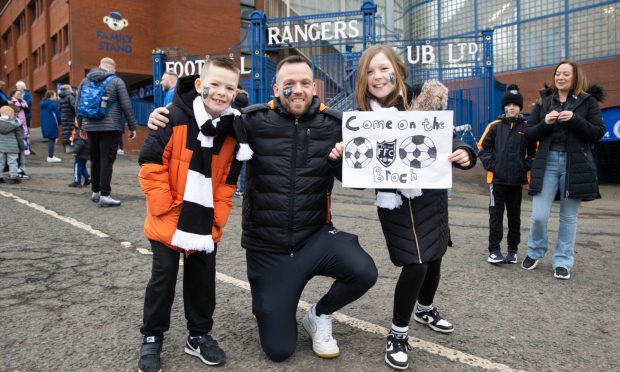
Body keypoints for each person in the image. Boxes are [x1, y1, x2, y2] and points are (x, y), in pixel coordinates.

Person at [147, 55, 378, 363]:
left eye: (304, 83)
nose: (297, 90)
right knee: (279, 350)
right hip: (268, 248)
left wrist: (339, 162)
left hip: (316, 237)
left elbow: (360, 179)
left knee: (364, 271)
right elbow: (207, 112)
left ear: (314, 86)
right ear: (275, 88)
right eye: (289, 84)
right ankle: (268, 302)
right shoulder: (250, 120)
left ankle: (318, 314)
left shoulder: (334, 124)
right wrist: (165, 113)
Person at [328, 45, 476, 370]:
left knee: (434, 256)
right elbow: (356, 180)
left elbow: (452, 140)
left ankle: (425, 308)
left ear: (397, 70)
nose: (378, 77)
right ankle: (398, 332)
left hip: (430, 196)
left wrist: (466, 152)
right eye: (370, 72)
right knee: (416, 264)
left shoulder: (423, 104)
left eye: (383, 69)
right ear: (363, 80)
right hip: (393, 203)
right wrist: (340, 159)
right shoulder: (360, 119)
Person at [137, 56, 248, 372]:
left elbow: (229, 181)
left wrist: (218, 218)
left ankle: (198, 335)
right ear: (200, 85)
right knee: (163, 278)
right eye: (214, 84)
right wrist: (164, 207)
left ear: (236, 90)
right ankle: (152, 337)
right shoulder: (171, 117)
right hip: (168, 218)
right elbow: (150, 163)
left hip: (204, 221)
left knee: (203, 280)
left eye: (229, 87)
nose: (220, 92)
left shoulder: (235, 130)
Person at [522, 60, 605, 280]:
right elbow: (529, 133)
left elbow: (598, 132)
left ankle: (563, 261)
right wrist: (545, 123)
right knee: (539, 216)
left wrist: (575, 120)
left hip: (574, 164)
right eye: (558, 74)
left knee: (568, 218)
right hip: (547, 162)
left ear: (575, 77)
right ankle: (535, 251)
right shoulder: (544, 101)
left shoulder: (588, 102)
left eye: (565, 74)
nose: (560, 78)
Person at [477, 84, 535, 264]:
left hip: (516, 182)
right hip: (497, 180)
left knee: (514, 217)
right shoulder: (494, 126)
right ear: (504, 106)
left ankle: (512, 250)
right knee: (495, 216)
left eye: (515, 105)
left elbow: (534, 152)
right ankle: (494, 251)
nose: (512, 107)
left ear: (520, 107)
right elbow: (482, 148)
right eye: (508, 104)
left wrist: (524, 167)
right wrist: (492, 165)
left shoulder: (527, 128)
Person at [76, 57, 137, 207]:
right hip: (110, 127)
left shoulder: (85, 81)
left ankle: (95, 191)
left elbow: (78, 105)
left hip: (90, 127)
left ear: (100, 66)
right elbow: (126, 105)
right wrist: (132, 126)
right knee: (107, 161)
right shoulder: (116, 81)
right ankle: (105, 195)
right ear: (113, 68)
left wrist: (81, 126)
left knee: (95, 159)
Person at [231, 84, 249, 197]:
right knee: (243, 165)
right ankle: (242, 188)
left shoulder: (233, 105)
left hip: (234, 141)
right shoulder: (245, 100)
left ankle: (238, 187)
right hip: (243, 141)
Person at [0, 106, 24, 184]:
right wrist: (21, 147)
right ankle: (14, 177)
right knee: (13, 162)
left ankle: (0, 177)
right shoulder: (16, 124)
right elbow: (19, 137)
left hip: (0, 146)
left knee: (0, 162)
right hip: (13, 146)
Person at [40, 90, 62, 163]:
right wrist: (60, 122)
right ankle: (50, 156)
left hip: (45, 123)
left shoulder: (42, 103)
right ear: (51, 96)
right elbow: (58, 114)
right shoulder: (53, 104)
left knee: (51, 139)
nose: (56, 97)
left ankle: (51, 156)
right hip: (52, 122)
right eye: (55, 95)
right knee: (52, 139)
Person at [59, 84, 77, 153]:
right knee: (71, 132)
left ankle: (67, 148)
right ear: (69, 89)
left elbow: (59, 109)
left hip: (64, 118)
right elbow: (74, 107)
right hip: (71, 118)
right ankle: (71, 148)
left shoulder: (61, 98)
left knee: (65, 133)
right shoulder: (70, 96)